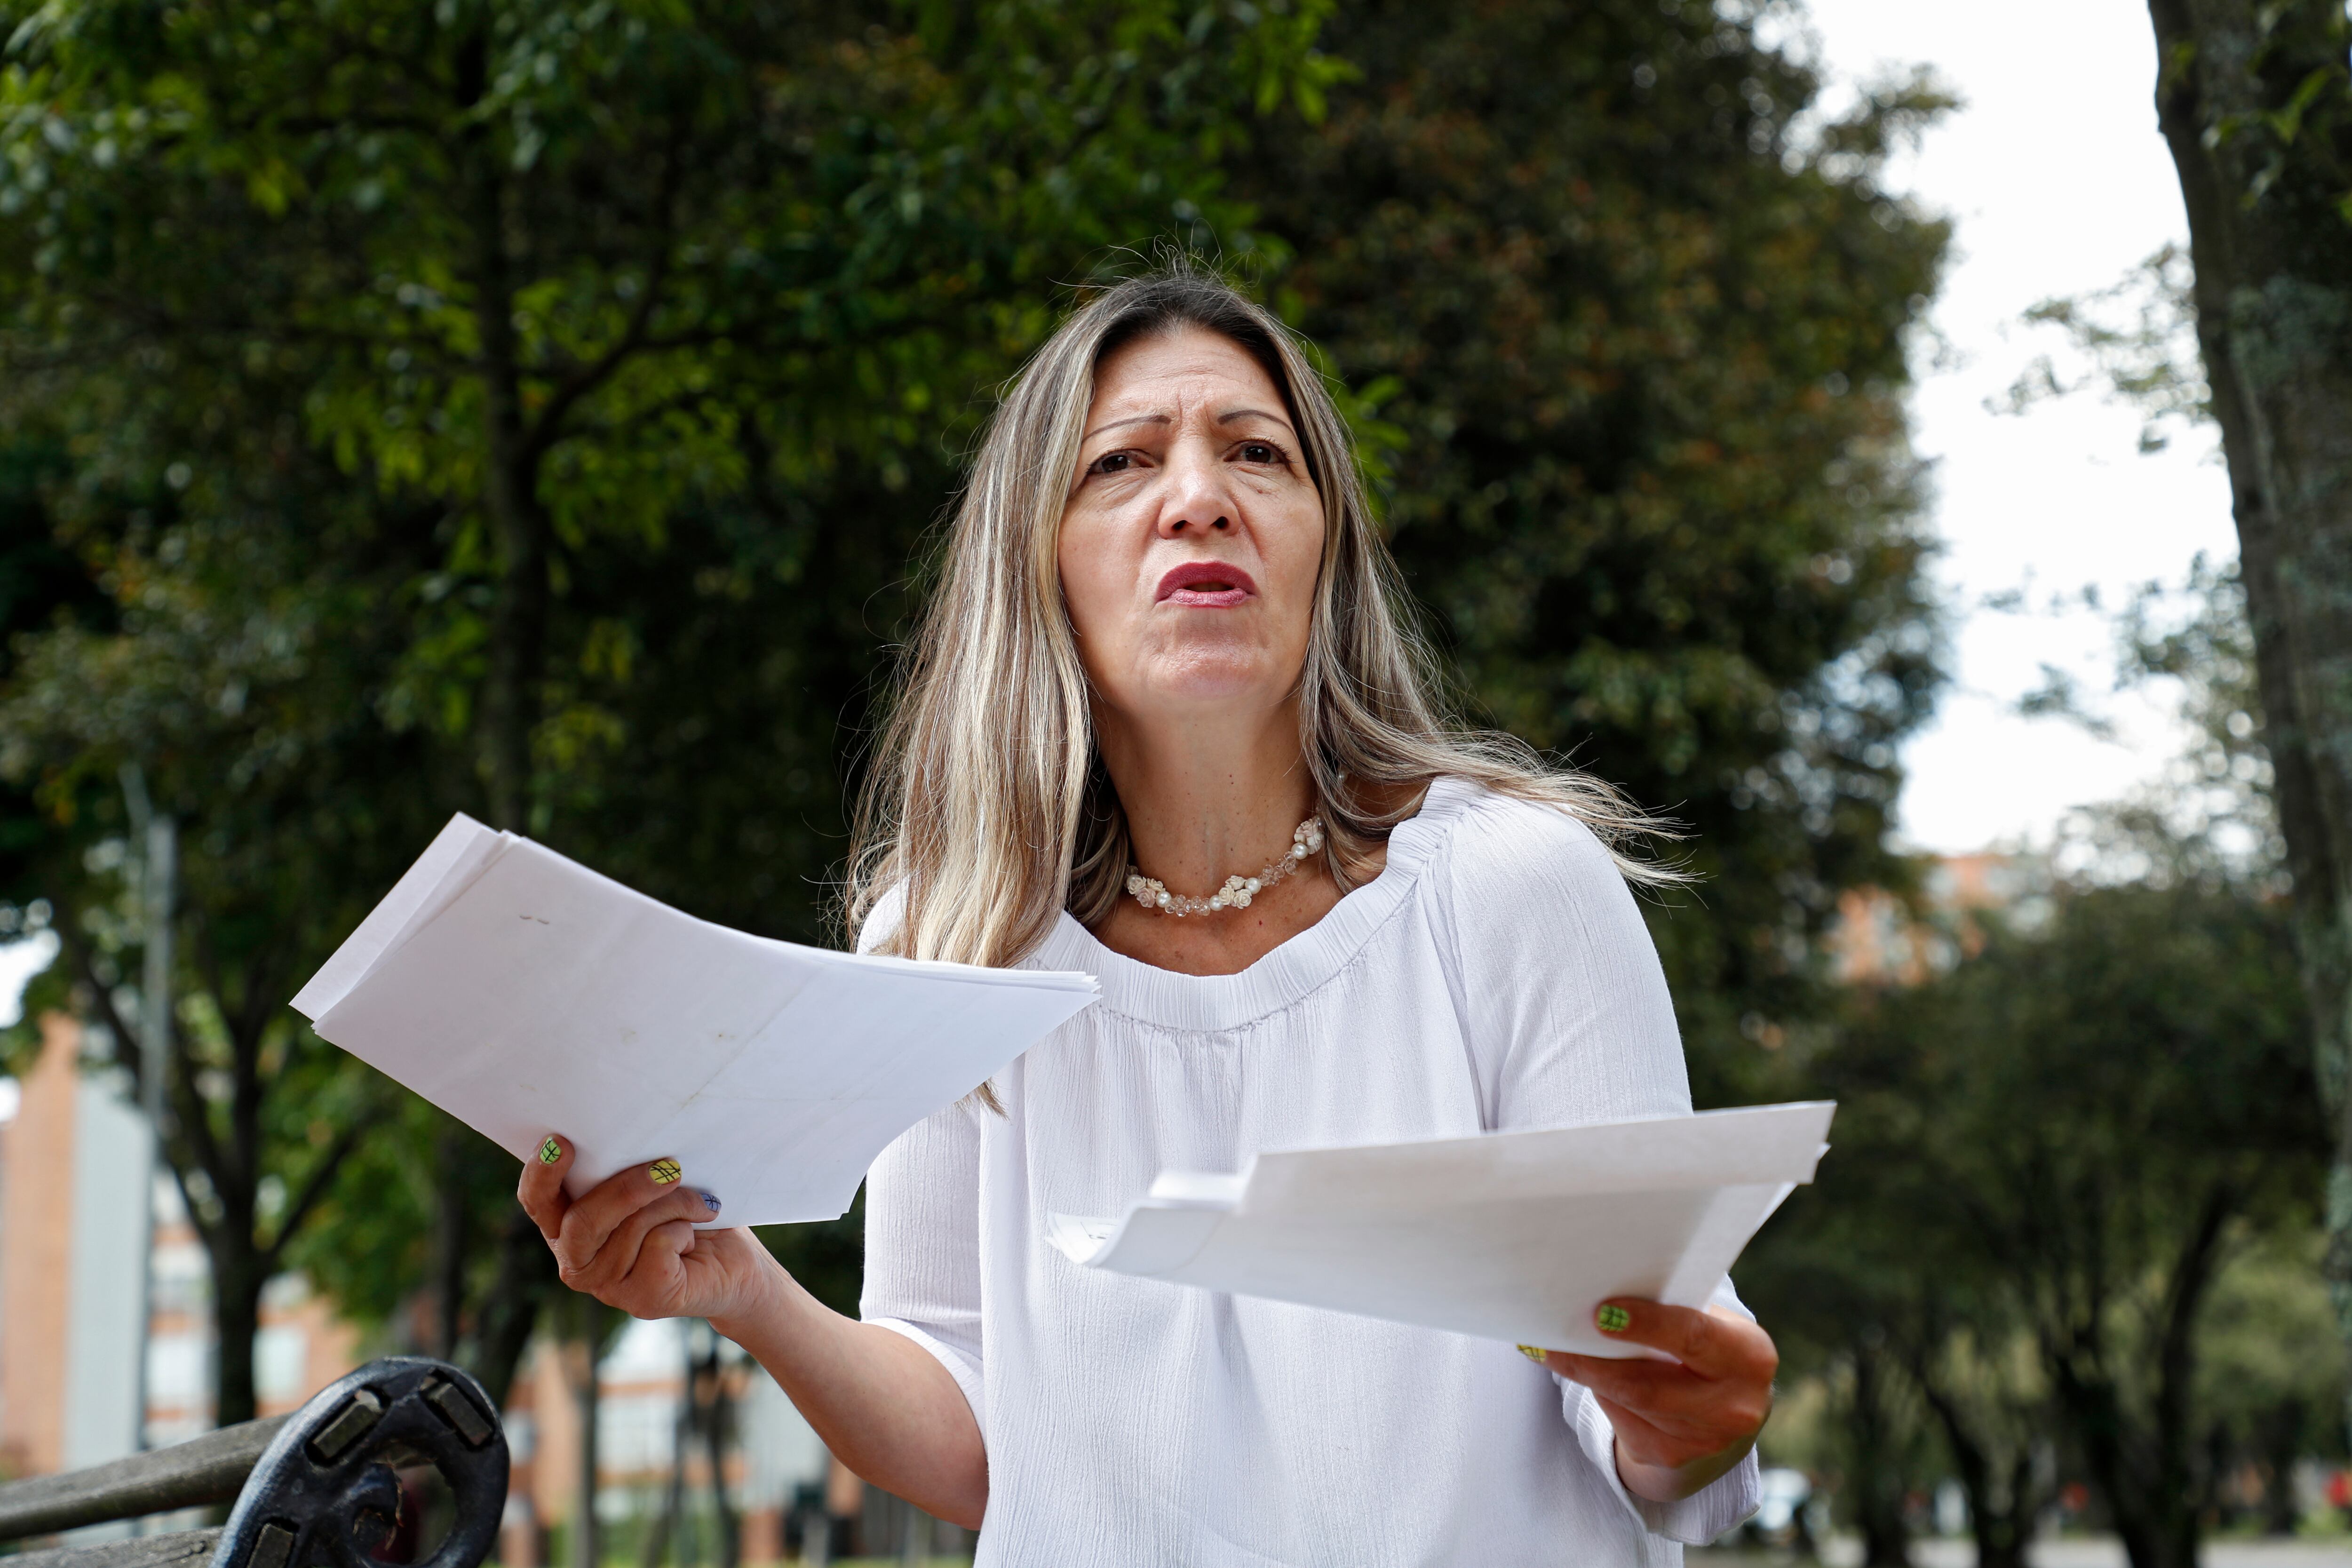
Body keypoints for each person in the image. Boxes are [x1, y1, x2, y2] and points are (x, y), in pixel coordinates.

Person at [518, 263, 1777, 1563]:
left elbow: (1651, 1394)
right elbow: (976, 1431)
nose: (1199, 501)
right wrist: (744, 1290)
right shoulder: (947, 941)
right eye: (1121, 463)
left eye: (1258, 454)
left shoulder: (1516, 885)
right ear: (1040, 560)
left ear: (1323, 546)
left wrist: (1695, 1419)